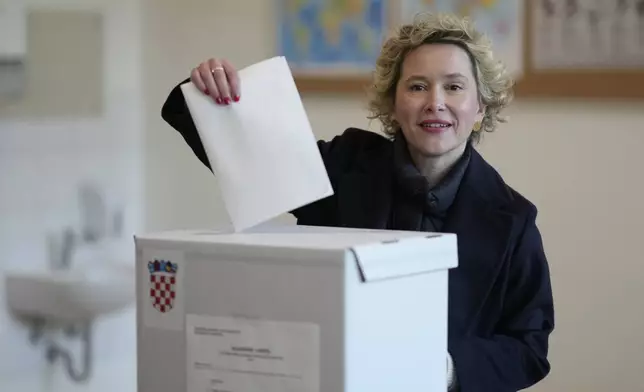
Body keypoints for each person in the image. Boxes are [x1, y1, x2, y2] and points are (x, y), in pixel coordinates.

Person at [160, 12, 554, 392]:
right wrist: (210, 92)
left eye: (454, 86)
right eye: (417, 86)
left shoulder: (515, 219)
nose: (435, 102)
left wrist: (447, 368)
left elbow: (529, 347)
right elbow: (249, 156)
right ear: (393, 104)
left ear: (480, 107)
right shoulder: (344, 167)